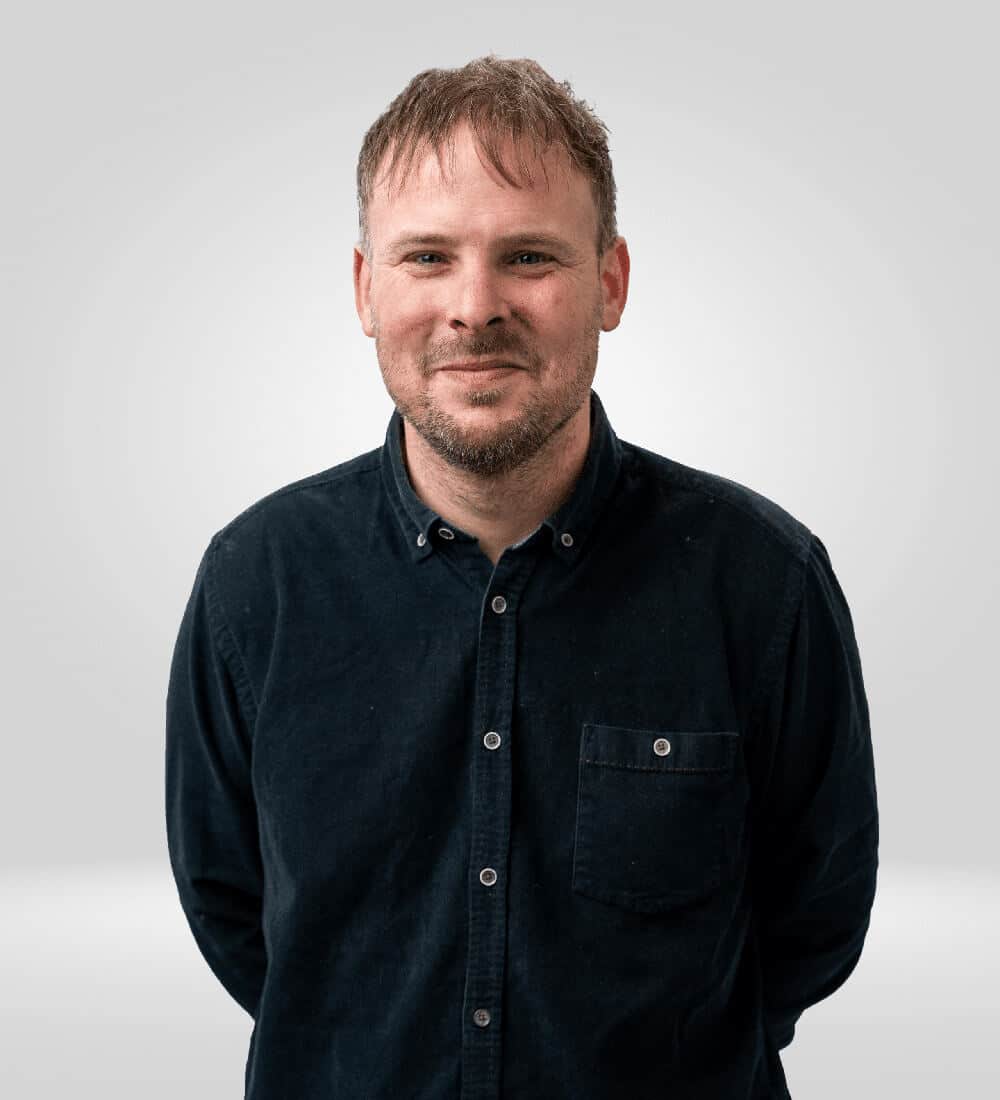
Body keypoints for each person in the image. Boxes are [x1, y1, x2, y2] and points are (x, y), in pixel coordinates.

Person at [165, 55, 879, 1100]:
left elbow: (813, 914)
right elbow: (232, 906)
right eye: (426, 256)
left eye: (528, 255)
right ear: (367, 290)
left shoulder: (764, 584)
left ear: (611, 282)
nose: (474, 306)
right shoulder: (254, 583)